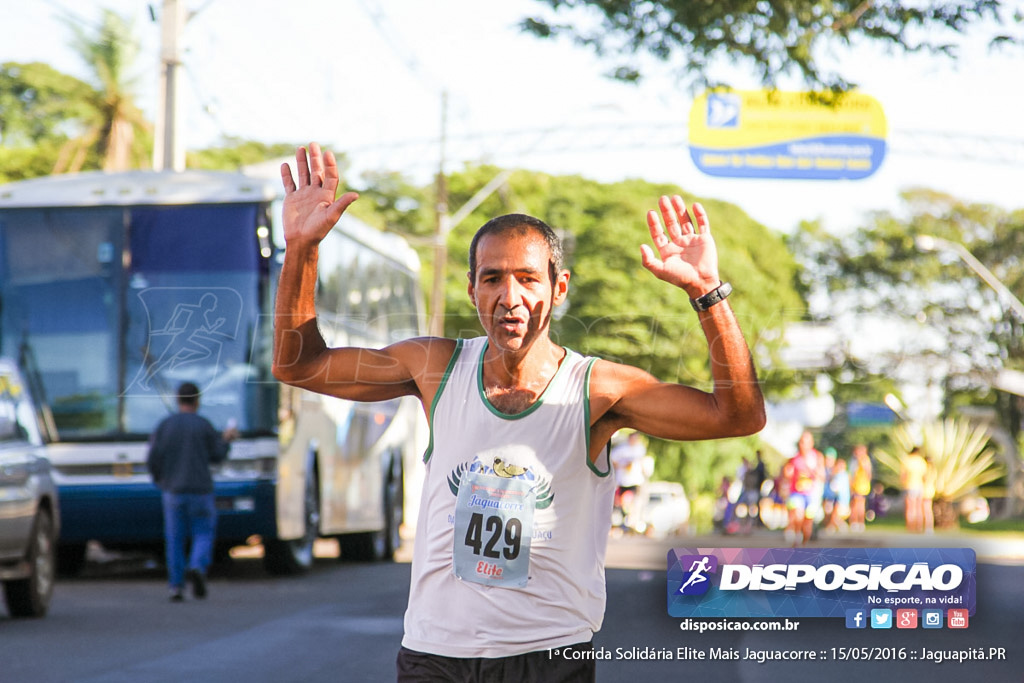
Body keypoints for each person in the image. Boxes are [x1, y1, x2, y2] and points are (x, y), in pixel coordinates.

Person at [273, 143, 766, 682]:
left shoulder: (596, 389)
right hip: (434, 653)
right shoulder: (435, 368)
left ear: (559, 289)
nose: (510, 296)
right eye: (492, 278)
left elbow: (736, 416)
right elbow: (300, 366)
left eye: (529, 279)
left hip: (547, 655)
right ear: (472, 289)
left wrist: (707, 293)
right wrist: (302, 248)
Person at [147, 381, 237, 601]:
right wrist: (227, 440)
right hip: (201, 490)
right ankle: (197, 565)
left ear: (178, 400)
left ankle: (175, 586)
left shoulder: (164, 425)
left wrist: (161, 481)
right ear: (197, 401)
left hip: (173, 491)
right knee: (203, 533)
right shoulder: (203, 425)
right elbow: (217, 456)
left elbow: (152, 459)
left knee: (175, 539)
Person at [781, 430, 826, 546]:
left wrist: (812, 471)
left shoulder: (817, 457)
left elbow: (822, 476)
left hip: (812, 494)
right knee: (797, 515)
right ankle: (797, 539)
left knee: (807, 525)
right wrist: (787, 476)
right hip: (796, 493)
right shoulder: (794, 459)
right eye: (801, 442)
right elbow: (786, 475)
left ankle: (804, 542)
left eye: (805, 442)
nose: (803, 445)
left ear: (811, 443)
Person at [610, 431, 648, 532]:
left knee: (632, 501)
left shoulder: (640, 449)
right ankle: (626, 521)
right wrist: (622, 466)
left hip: (635, 481)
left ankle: (632, 521)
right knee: (623, 502)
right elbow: (612, 460)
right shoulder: (621, 449)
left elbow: (642, 463)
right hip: (623, 480)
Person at [901, 446, 928, 533]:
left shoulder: (907, 460)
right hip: (919, 486)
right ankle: (919, 526)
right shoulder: (921, 461)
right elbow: (925, 477)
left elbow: (903, 475)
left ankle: (910, 526)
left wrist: (903, 484)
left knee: (910, 508)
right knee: (919, 507)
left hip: (910, 486)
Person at [849, 443, 872, 532]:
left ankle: (858, 522)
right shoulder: (860, 460)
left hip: (860, 486)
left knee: (858, 505)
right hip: (860, 485)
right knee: (856, 504)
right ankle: (857, 522)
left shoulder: (863, 460)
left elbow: (866, 474)